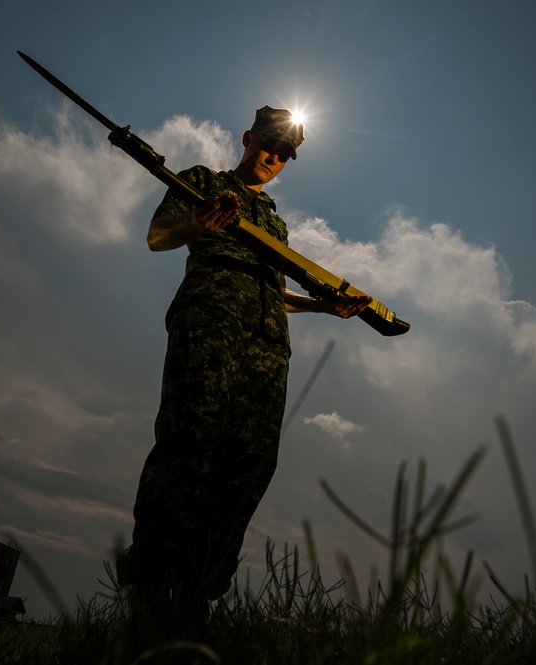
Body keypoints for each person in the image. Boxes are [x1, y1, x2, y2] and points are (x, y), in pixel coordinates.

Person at [121, 106, 371, 631]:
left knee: (249, 464)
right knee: (190, 444)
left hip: (266, 346)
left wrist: (325, 306)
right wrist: (196, 222)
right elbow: (157, 236)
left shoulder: (274, 221)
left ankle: (195, 593)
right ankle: (151, 584)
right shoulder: (203, 182)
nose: (273, 158)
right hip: (210, 323)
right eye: (267, 145)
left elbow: (272, 292)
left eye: (284, 154)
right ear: (247, 137)